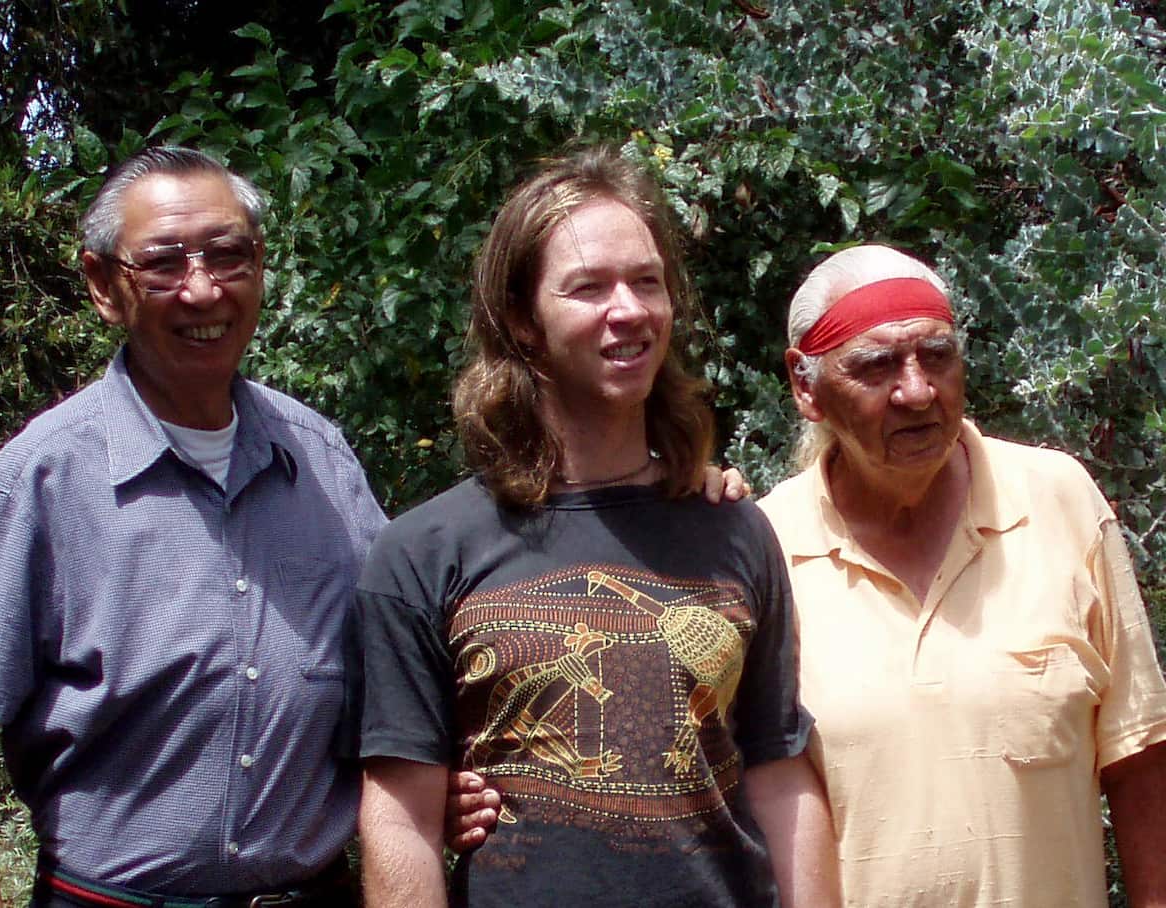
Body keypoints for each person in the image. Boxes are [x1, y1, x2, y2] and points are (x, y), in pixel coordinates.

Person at [345, 147, 840, 908]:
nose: (630, 309)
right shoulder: (423, 552)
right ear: (522, 320)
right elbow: (401, 816)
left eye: (648, 281)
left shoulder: (735, 531)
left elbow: (778, 772)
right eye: (587, 287)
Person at [0, 146, 391, 907]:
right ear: (104, 286)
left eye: (228, 255)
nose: (203, 290)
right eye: (163, 264)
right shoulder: (42, 480)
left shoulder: (323, 462)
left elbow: (401, 680)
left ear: (260, 267)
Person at [758, 244, 1166, 906]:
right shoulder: (766, 552)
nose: (917, 391)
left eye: (937, 355)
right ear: (807, 387)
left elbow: (1140, 755)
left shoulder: (1056, 500)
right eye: (876, 365)